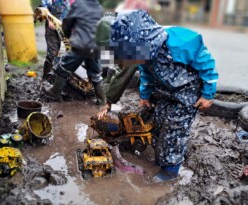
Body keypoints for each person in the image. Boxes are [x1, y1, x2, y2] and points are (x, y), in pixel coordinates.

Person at [96, 10, 218, 182]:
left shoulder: (179, 41)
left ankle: (170, 169)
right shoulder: (143, 54)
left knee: (174, 130)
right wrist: (145, 96)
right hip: (165, 92)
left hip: (188, 94)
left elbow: (207, 64)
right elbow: (145, 74)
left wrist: (207, 94)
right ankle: (161, 154)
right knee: (158, 123)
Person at [42, 0, 106, 104]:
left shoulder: (79, 4)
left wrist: (68, 35)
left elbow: (67, 23)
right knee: (95, 73)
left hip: (80, 44)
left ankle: (55, 92)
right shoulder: (98, 7)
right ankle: (102, 101)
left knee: (63, 67)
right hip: (94, 45)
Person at [39, 0, 73, 79]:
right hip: (52, 29)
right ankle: (45, 78)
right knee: (52, 53)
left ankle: (59, 79)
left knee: (65, 53)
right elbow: (43, 8)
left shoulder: (70, 2)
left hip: (65, 29)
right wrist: (50, 19)